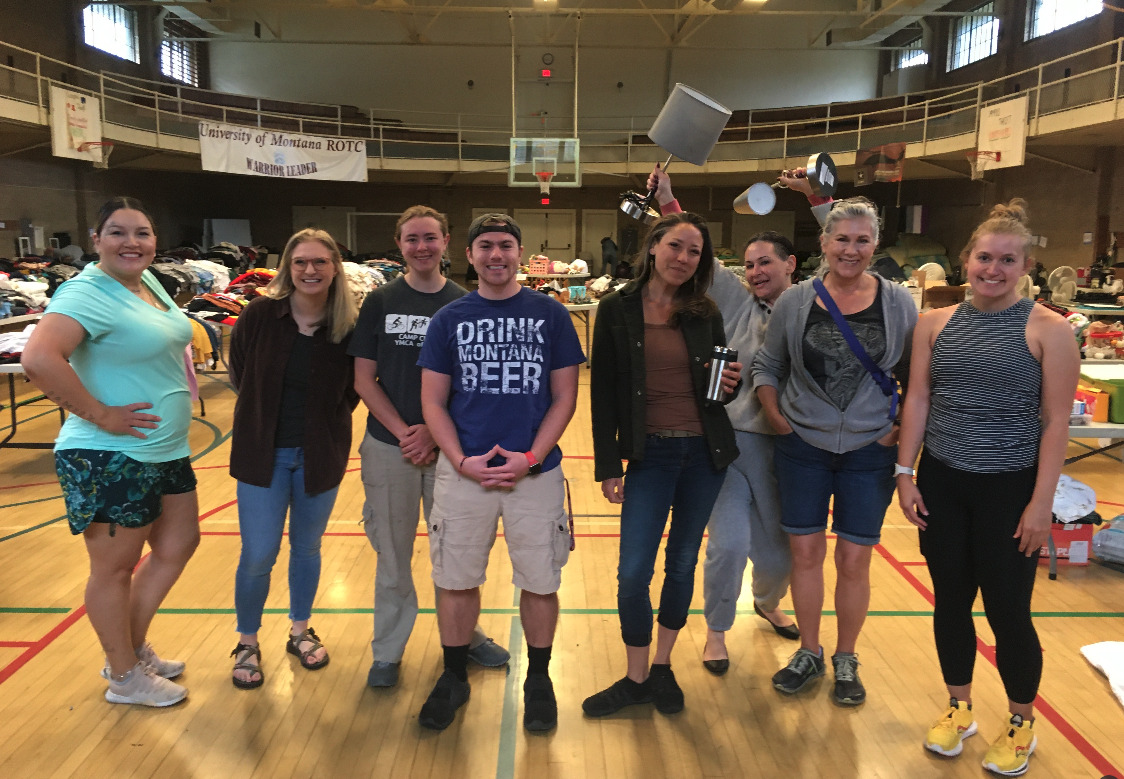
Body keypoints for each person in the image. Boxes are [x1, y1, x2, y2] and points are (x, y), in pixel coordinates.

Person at [896, 200, 1078, 776]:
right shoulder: (935, 323)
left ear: (1026, 267)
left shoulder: (1050, 330)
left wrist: (1041, 503)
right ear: (966, 260)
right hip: (942, 482)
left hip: (1010, 489)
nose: (992, 269)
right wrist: (904, 472)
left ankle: (1021, 721)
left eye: (1007, 260)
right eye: (984, 257)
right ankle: (959, 708)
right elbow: (918, 398)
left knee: (1007, 610)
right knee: (950, 601)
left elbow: (1056, 421)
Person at [22, 197, 199, 707]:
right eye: (117, 232)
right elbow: (39, 358)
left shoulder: (148, 283)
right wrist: (100, 413)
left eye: (142, 233)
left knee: (178, 545)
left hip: (164, 449)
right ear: (96, 240)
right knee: (114, 569)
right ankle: (123, 676)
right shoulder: (86, 291)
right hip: (109, 454)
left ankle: (131, 649)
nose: (132, 242)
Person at [416, 213, 584, 732]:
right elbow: (433, 402)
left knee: (540, 580)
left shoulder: (551, 315)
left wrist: (531, 457)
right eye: (485, 246)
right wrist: (460, 460)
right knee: (455, 579)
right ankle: (453, 676)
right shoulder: (449, 319)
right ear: (468, 255)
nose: (496, 255)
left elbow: (565, 396)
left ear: (520, 253)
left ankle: (539, 678)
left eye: (506, 245)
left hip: (534, 474)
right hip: (465, 473)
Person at [751, 196, 917, 706]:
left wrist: (896, 431)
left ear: (875, 244)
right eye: (841, 239)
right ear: (823, 243)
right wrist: (776, 416)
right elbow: (767, 364)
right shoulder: (796, 301)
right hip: (803, 445)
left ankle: (846, 656)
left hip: (870, 449)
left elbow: (916, 375)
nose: (851, 249)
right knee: (805, 553)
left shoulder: (898, 303)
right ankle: (809, 650)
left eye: (862, 240)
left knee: (853, 559)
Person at [584, 211, 742, 717]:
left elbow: (717, 391)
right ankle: (635, 678)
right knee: (633, 572)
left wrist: (728, 384)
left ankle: (661, 667)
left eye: (694, 251)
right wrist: (609, 464)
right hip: (648, 455)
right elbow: (603, 392)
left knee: (681, 563)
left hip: (703, 455)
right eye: (676, 245)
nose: (683, 258)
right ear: (654, 246)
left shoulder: (704, 310)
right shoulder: (616, 308)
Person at [349, 206, 508, 689]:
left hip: (450, 450)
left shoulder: (465, 303)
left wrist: (435, 434)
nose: (422, 247)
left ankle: (465, 636)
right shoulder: (380, 301)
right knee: (392, 556)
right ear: (400, 245)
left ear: (446, 242)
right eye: (412, 239)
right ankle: (387, 651)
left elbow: (473, 384)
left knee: (456, 553)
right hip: (389, 447)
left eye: (430, 238)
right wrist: (405, 432)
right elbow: (364, 379)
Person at [226, 228, 360, 689]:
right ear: (287, 267)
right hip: (262, 455)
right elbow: (240, 374)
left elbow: (351, 391)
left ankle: (300, 630)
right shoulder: (259, 316)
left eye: (320, 261)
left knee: (307, 548)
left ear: (334, 268)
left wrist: (323, 429)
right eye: (300, 261)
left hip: (319, 456)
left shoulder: (347, 326)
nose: (310, 270)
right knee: (258, 553)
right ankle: (247, 641)